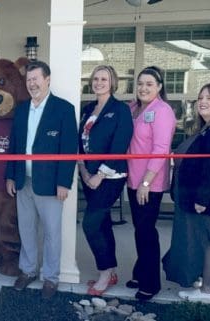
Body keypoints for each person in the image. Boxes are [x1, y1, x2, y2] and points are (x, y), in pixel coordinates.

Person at [5, 61, 78, 299]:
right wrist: (10, 176)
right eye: (29, 80)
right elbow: (14, 146)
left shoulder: (63, 109)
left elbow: (69, 149)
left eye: (36, 78)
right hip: (22, 180)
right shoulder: (22, 109)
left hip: (50, 184)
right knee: (26, 229)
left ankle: (51, 278)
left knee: (51, 233)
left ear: (48, 79)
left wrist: (64, 183)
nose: (32, 83)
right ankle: (28, 271)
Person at [163, 83, 210, 303]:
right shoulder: (207, 129)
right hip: (203, 200)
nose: (203, 102)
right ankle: (202, 283)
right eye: (200, 98)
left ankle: (208, 291)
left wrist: (202, 199)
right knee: (203, 243)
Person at [78, 65, 133, 296]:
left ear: (112, 82)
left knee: (89, 223)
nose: (99, 82)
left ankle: (104, 272)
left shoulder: (120, 109)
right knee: (102, 223)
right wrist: (83, 171)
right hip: (88, 175)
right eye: (96, 78)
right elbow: (80, 142)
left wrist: (100, 175)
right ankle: (110, 271)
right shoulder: (89, 108)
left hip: (110, 176)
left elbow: (120, 144)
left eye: (104, 78)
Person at [124, 66, 176, 301]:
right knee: (140, 230)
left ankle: (151, 283)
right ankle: (140, 271)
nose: (143, 88)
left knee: (146, 232)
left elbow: (161, 150)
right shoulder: (134, 108)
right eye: (140, 84)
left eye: (149, 84)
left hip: (149, 183)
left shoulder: (163, 111)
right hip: (133, 180)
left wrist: (146, 182)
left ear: (159, 87)